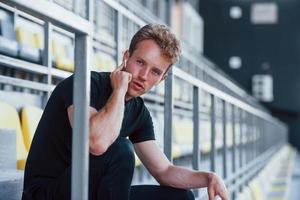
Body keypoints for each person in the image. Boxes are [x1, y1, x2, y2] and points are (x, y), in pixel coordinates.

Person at [22, 24, 228, 200]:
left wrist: (208, 178)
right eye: (140, 62)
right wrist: (119, 90)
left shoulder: (139, 112)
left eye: (155, 71)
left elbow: (163, 171)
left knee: (182, 197)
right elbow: (96, 142)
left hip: (92, 192)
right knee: (120, 149)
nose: (143, 76)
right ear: (126, 57)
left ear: (162, 79)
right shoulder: (84, 84)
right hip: (47, 193)